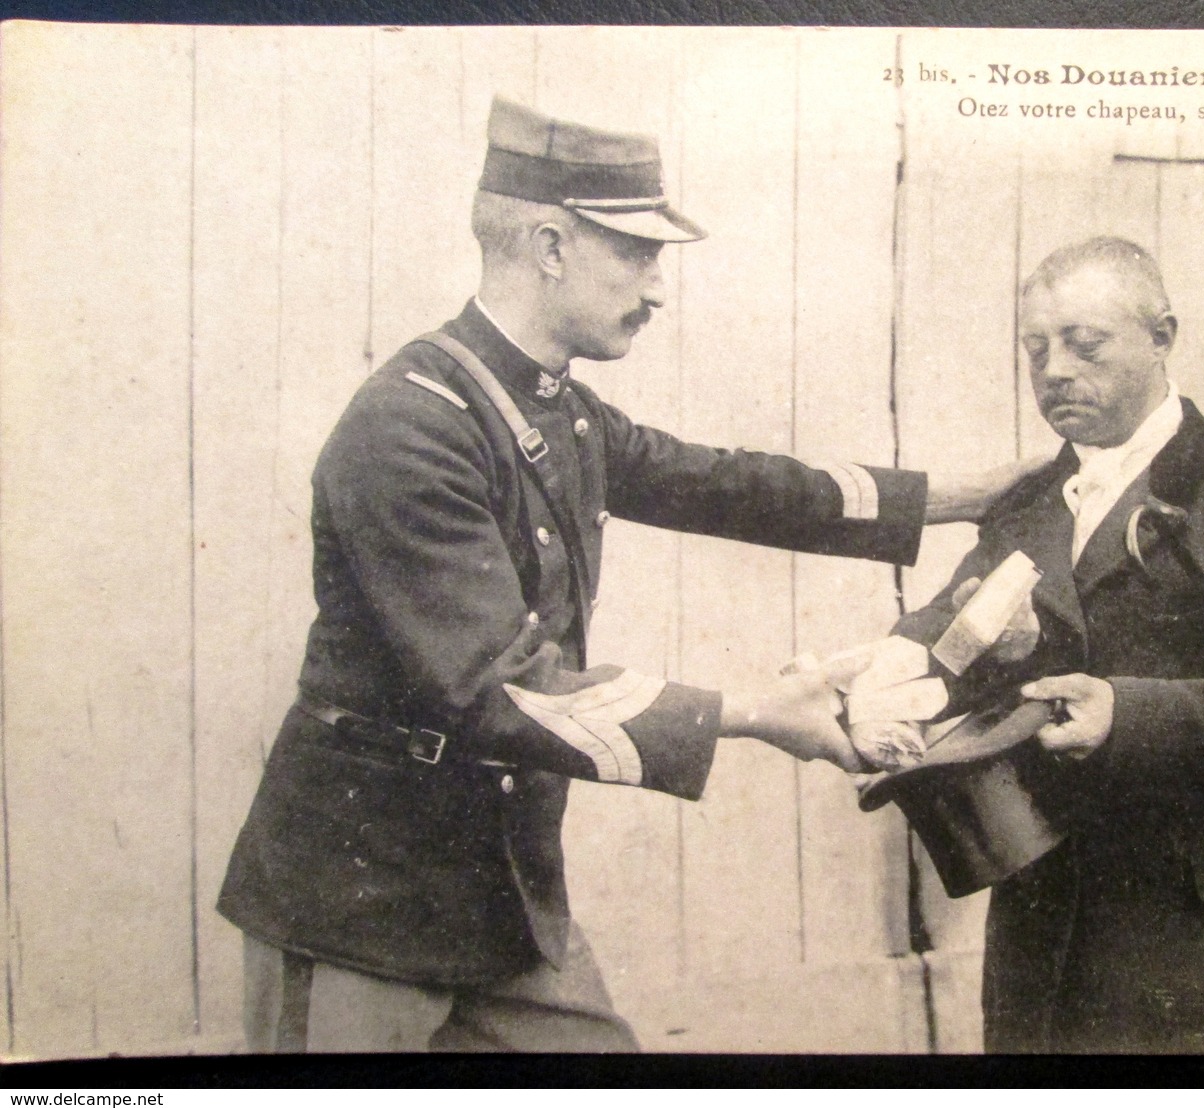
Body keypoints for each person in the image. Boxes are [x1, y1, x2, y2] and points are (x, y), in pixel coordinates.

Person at [216, 97, 1036, 1053]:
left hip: (500, 901)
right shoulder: (409, 428)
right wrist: (760, 712)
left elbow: (734, 487)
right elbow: (499, 692)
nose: (657, 290)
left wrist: (969, 493)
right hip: (357, 908)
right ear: (551, 243)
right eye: (638, 256)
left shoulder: (558, 410)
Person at [886, 236, 1204, 1054]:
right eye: (1036, 349)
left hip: (1192, 938)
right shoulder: (1027, 503)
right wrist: (889, 672)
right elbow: (948, 642)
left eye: (1084, 344)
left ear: (1161, 336)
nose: (1054, 369)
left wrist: (1124, 715)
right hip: (1043, 927)